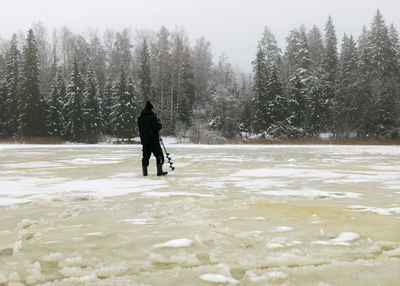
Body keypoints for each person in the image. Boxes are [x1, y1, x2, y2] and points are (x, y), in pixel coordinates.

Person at [137, 101, 168, 176]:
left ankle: (145, 173)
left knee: (145, 156)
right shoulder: (153, 117)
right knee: (159, 155)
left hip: (144, 140)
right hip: (153, 140)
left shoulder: (140, 118)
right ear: (151, 109)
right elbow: (156, 127)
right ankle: (159, 171)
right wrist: (160, 124)